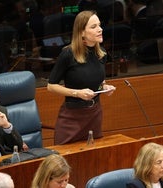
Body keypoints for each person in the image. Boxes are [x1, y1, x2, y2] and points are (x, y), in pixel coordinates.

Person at [47, 10, 116, 145]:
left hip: (94, 114)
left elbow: (99, 81)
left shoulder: (102, 54)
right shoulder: (68, 54)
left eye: (99, 25)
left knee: (93, 158)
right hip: (72, 116)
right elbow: (51, 86)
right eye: (93, 27)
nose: (100, 29)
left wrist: (104, 87)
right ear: (82, 32)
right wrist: (77, 93)